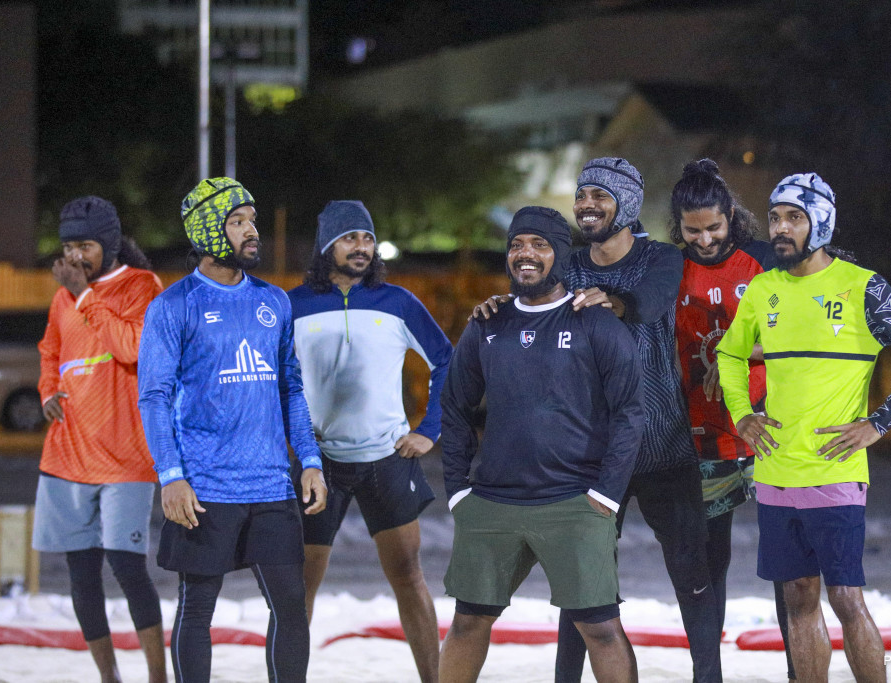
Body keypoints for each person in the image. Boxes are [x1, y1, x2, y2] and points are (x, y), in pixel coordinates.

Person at [478, 158, 722, 683]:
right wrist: (504, 305)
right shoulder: (566, 265)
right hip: (589, 457)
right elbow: (532, 308)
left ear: (626, 204)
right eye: (582, 194)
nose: (586, 204)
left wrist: (614, 301)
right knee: (582, 589)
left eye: (600, 196)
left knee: (693, 580)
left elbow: (652, 302)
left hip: (664, 448)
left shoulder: (661, 258)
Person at [716, 173, 891, 682]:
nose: (780, 228)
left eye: (794, 218)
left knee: (846, 598)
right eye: (775, 217)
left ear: (821, 223)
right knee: (798, 597)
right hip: (776, 472)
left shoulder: (863, 288)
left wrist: (879, 423)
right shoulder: (763, 289)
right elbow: (730, 355)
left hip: (835, 473)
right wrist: (742, 414)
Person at [440, 206, 644, 683]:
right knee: (468, 622)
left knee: (601, 629)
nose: (525, 254)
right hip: (492, 500)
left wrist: (607, 493)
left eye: (539, 245)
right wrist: (457, 490)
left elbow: (630, 412)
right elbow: (454, 406)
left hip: (574, 501)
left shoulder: (594, 321)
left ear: (561, 255)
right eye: (516, 245)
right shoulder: (487, 322)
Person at [138, 177, 327, 683]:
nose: (252, 231)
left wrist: (309, 461)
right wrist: (170, 475)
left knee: (291, 608)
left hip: (270, 486)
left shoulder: (274, 302)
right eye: (238, 221)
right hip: (205, 489)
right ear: (207, 230)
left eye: (252, 221)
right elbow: (153, 397)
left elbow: (290, 387)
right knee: (197, 608)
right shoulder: (173, 305)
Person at [288, 200, 451, 682]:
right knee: (299, 586)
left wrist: (429, 430)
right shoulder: (292, 305)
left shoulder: (397, 302)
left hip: (387, 457)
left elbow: (448, 361)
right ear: (326, 246)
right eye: (349, 238)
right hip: (318, 465)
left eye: (367, 238)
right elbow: (273, 380)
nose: (361, 246)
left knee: (408, 575)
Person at [669, 159, 796, 681]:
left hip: (771, 434)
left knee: (788, 564)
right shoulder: (667, 269)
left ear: (731, 217)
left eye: (714, 228)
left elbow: (800, 329)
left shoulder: (764, 261)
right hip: (705, 439)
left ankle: (799, 670)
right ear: (678, 225)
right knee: (709, 562)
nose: (704, 240)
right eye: (692, 230)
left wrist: (744, 351)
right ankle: (708, 675)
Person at [32, 196, 167, 683]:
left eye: (85, 246)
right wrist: (48, 389)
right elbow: (50, 349)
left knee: (128, 568)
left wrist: (84, 295)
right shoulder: (62, 297)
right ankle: (109, 677)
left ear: (109, 245)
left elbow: (132, 347)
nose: (75, 257)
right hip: (67, 454)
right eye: (69, 247)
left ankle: (158, 677)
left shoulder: (141, 286)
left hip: (125, 458)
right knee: (81, 573)